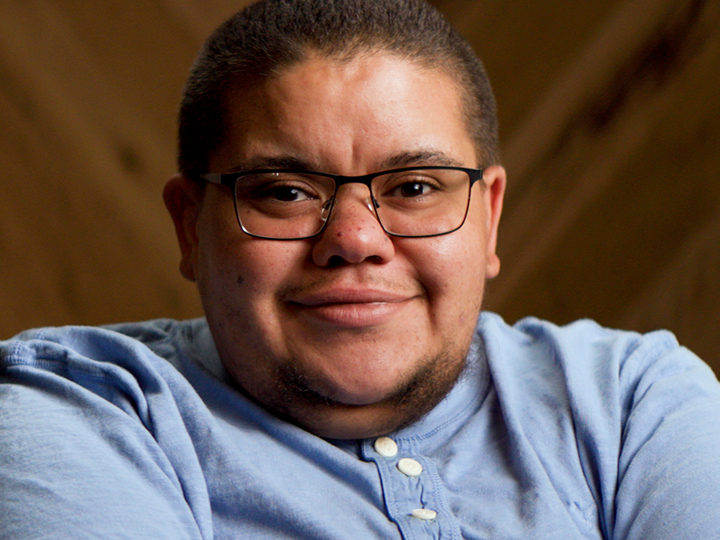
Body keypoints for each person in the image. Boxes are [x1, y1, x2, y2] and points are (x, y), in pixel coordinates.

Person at [1, 0, 719, 538]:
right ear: (191, 226)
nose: (353, 239)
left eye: (413, 189)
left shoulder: (632, 404)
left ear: (490, 216)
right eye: (285, 192)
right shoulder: (82, 409)